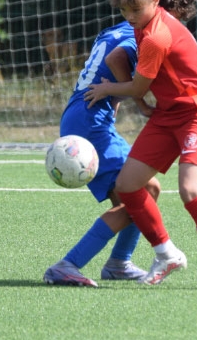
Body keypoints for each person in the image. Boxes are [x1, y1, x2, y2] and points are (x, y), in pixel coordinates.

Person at [84, 0, 197, 291]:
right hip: (168, 115)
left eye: (135, 10)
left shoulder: (157, 36)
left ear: (155, 1)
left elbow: (138, 87)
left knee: (190, 189)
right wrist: (145, 105)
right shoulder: (143, 24)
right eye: (124, 10)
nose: (129, 16)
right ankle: (166, 254)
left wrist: (107, 89)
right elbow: (126, 66)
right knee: (128, 186)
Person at [42, 20, 159, 287]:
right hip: (90, 123)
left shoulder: (118, 28)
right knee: (146, 191)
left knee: (135, 197)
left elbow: (107, 62)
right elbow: (116, 58)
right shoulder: (144, 32)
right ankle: (69, 265)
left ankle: (119, 263)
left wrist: (115, 96)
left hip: (83, 114)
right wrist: (141, 103)